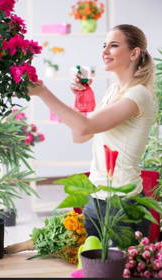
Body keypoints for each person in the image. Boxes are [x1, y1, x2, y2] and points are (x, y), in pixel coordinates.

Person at [28, 24, 156, 239]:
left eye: (113, 46)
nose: (104, 52)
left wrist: (43, 92)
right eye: (104, 45)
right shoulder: (114, 90)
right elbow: (80, 136)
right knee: (89, 267)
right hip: (97, 198)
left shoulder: (139, 95)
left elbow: (84, 127)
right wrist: (81, 100)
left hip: (123, 204)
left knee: (113, 271)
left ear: (134, 53)